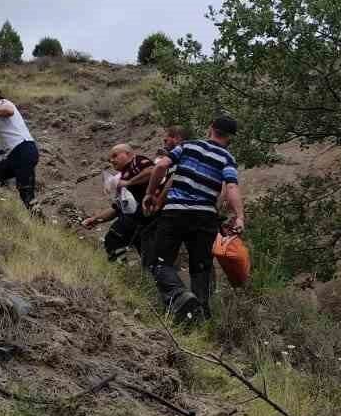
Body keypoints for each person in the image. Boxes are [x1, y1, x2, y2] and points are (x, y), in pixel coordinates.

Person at [143, 113, 245, 320]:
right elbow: (232, 186)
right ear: (230, 137)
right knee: (201, 267)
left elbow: (162, 166)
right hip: (204, 217)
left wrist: (149, 193)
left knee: (159, 262)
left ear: (210, 127)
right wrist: (239, 216)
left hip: (175, 213)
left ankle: (180, 295)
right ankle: (201, 314)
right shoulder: (227, 158)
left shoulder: (188, 146)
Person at [81, 143, 154, 260]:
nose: (112, 160)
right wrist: (95, 219)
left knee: (113, 239)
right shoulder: (124, 176)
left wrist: (128, 182)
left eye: (115, 156)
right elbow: (117, 208)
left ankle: (120, 270)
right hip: (140, 220)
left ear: (128, 154)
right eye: (110, 159)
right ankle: (126, 273)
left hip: (144, 217)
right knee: (148, 259)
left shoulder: (137, 161)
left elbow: (151, 171)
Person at [0, 87, 39, 208]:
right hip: (14, 154)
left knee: (26, 193)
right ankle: (2, 208)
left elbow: (9, 111)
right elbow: (10, 135)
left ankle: (41, 223)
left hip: (24, 150)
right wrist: (0, 150)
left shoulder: (3, 103)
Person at [139, 124, 185, 271]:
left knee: (155, 240)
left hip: (174, 209)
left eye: (167, 140)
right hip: (176, 208)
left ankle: (157, 276)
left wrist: (157, 201)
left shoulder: (181, 155)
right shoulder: (172, 158)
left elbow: (173, 180)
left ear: (177, 138)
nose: (164, 142)